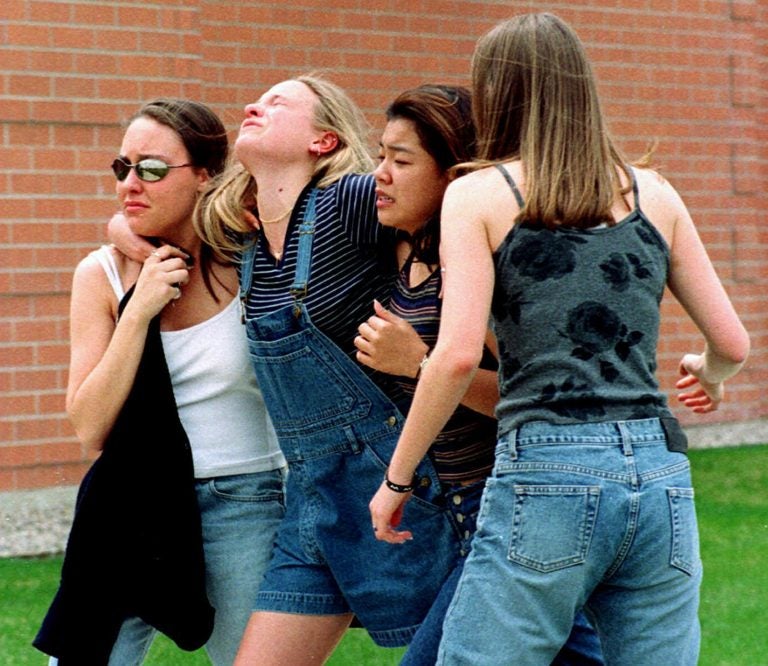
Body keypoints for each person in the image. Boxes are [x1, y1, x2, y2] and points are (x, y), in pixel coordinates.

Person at [370, 12, 750, 666]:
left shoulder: (479, 195)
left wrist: (395, 481)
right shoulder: (654, 193)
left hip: (547, 470)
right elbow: (733, 343)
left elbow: (456, 356)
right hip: (661, 474)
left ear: (498, 95)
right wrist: (708, 373)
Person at [35, 99, 286, 665]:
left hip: (242, 499)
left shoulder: (250, 262)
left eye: (151, 169)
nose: (130, 184)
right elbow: (89, 425)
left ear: (204, 176)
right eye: (122, 167)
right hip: (129, 501)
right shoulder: (99, 274)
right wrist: (139, 309)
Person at [359, 83, 602, 666]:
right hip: (455, 515)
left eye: (400, 160)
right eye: (380, 155)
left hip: (510, 506)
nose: (379, 175)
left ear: (453, 176)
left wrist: (416, 362)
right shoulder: (404, 245)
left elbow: (530, 398)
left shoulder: (477, 262)